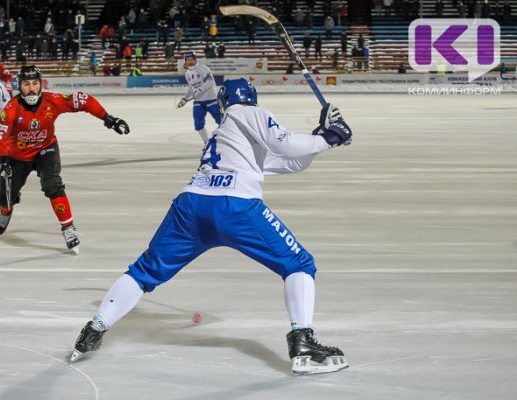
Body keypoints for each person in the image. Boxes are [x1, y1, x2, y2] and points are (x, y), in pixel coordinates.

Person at [70, 78, 353, 375]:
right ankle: (303, 342)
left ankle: (94, 330)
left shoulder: (225, 134)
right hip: (235, 208)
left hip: (190, 207)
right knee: (299, 264)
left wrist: (321, 137)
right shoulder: (247, 112)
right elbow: (285, 143)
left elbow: (292, 162)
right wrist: (329, 137)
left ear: (220, 102)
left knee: (144, 271)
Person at [0, 66, 131, 253]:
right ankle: (6, 212)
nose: (31, 88)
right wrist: (4, 159)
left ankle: (68, 228)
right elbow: (0, 136)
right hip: (17, 157)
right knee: (4, 195)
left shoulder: (52, 101)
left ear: (40, 84)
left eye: (34, 83)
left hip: (45, 149)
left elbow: (84, 100)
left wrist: (108, 118)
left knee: (53, 185)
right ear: (19, 86)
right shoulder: (11, 109)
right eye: (26, 84)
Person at [176, 51, 221, 143]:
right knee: (198, 124)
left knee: (221, 121)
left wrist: (200, 90)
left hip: (211, 99)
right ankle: (206, 143)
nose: (190, 61)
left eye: (192, 59)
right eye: (188, 60)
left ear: (195, 60)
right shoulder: (187, 74)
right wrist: (185, 99)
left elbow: (210, 82)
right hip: (199, 101)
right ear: (185, 61)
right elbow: (191, 88)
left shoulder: (203, 68)